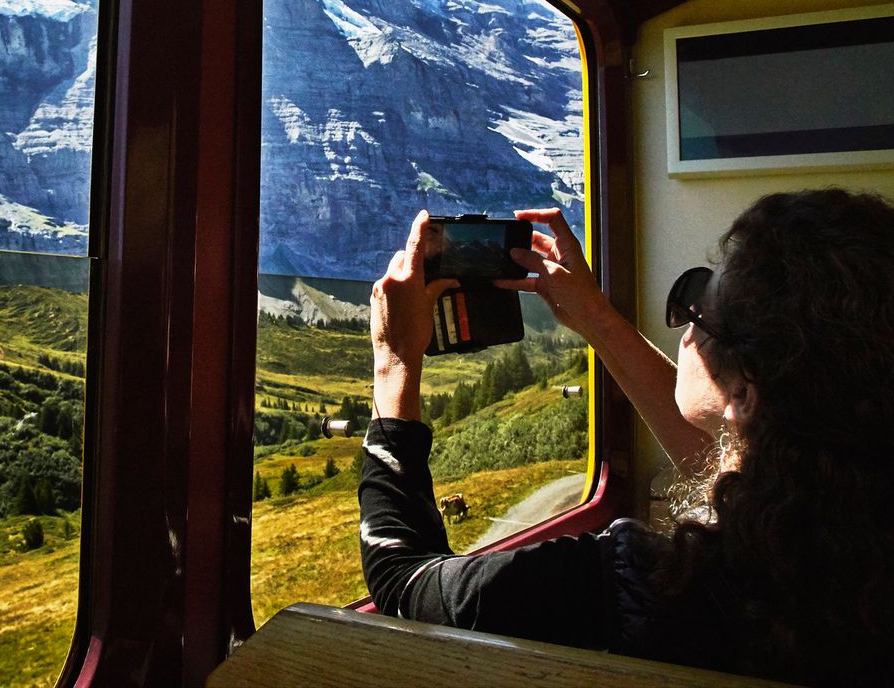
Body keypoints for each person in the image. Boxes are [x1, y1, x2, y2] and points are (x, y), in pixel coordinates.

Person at [359, 189, 894, 683]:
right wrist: (595, 317)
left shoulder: (642, 588)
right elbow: (734, 458)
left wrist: (395, 363)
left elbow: (402, 581)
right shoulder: (848, 529)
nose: (685, 317)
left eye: (703, 303)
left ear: (748, 393)